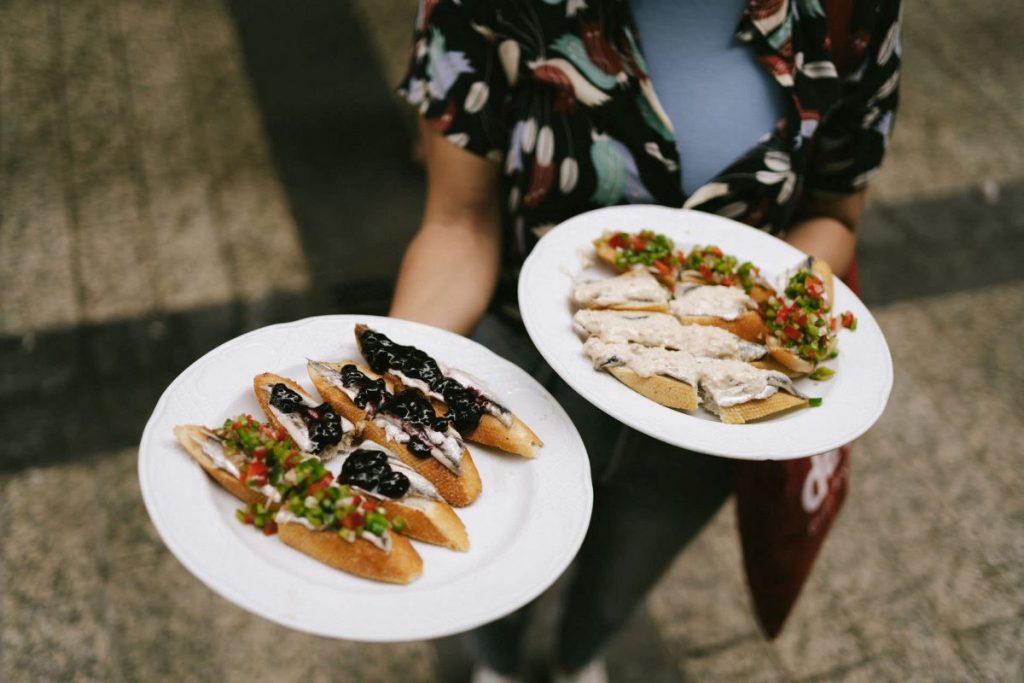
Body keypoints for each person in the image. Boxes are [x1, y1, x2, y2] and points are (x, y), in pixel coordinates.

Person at [388, 1, 901, 681]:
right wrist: (385, 384)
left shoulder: (846, 9)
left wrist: (774, 331)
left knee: (622, 578)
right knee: (491, 572)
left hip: (713, 409)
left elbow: (833, 212)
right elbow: (458, 222)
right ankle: (499, 663)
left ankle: (578, 655)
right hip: (520, 372)